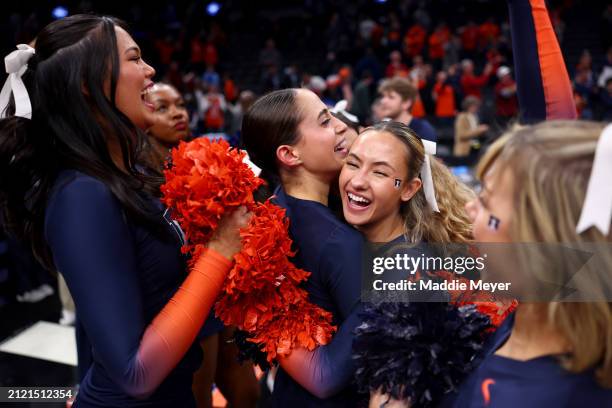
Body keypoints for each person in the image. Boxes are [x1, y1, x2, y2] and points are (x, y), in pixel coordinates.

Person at [0, 15, 249, 407]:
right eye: (134, 59)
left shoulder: (129, 175)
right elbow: (135, 375)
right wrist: (220, 251)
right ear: (87, 85)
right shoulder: (81, 194)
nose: (150, 70)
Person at [242, 88, 364, 407]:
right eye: (324, 121)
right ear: (289, 154)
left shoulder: (268, 216)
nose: (339, 126)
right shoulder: (340, 241)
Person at [145, 82, 260, 408]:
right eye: (163, 107)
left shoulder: (205, 156)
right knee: (199, 397)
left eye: (180, 104)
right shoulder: (138, 176)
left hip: (222, 290)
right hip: (185, 295)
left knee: (248, 394)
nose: (178, 112)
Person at [377, 76, 437, 143]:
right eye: (383, 96)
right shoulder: (382, 129)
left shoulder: (424, 130)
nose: (383, 101)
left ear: (406, 103)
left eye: (391, 97)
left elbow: (427, 153)